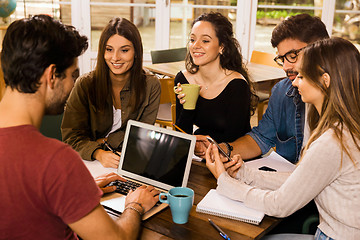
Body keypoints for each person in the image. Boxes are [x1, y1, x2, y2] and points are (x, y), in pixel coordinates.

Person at [0, 15, 160, 239]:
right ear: (52, 76)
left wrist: (77, 189)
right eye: (72, 74)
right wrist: (135, 205)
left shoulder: (54, 170)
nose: (74, 83)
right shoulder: (57, 162)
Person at [206, 37, 360, 240]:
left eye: (302, 76)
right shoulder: (343, 129)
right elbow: (300, 179)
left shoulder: (332, 142)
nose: (295, 81)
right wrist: (244, 174)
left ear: (325, 80)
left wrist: (224, 181)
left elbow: (278, 204)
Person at [201, 14, 330, 164]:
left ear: (321, 49)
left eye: (293, 55)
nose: (286, 67)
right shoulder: (282, 91)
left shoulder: (347, 103)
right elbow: (261, 137)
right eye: (282, 59)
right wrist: (224, 150)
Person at [61, 17, 161, 168]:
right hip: (89, 160)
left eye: (124, 50)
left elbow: (142, 135)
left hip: (129, 158)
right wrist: (98, 152)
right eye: (109, 49)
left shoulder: (151, 85)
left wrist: (105, 141)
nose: (115, 58)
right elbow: (71, 137)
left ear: (136, 52)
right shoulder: (85, 84)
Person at [174, 12, 258, 154]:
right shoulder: (184, 79)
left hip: (234, 156)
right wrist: (188, 107)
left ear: (222, 47)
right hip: (202, 153)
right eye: (192, 39)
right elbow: (181, 135)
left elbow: (235, 138)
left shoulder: (236, 85)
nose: (196, 46)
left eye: (205, 41)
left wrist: (203, 144)